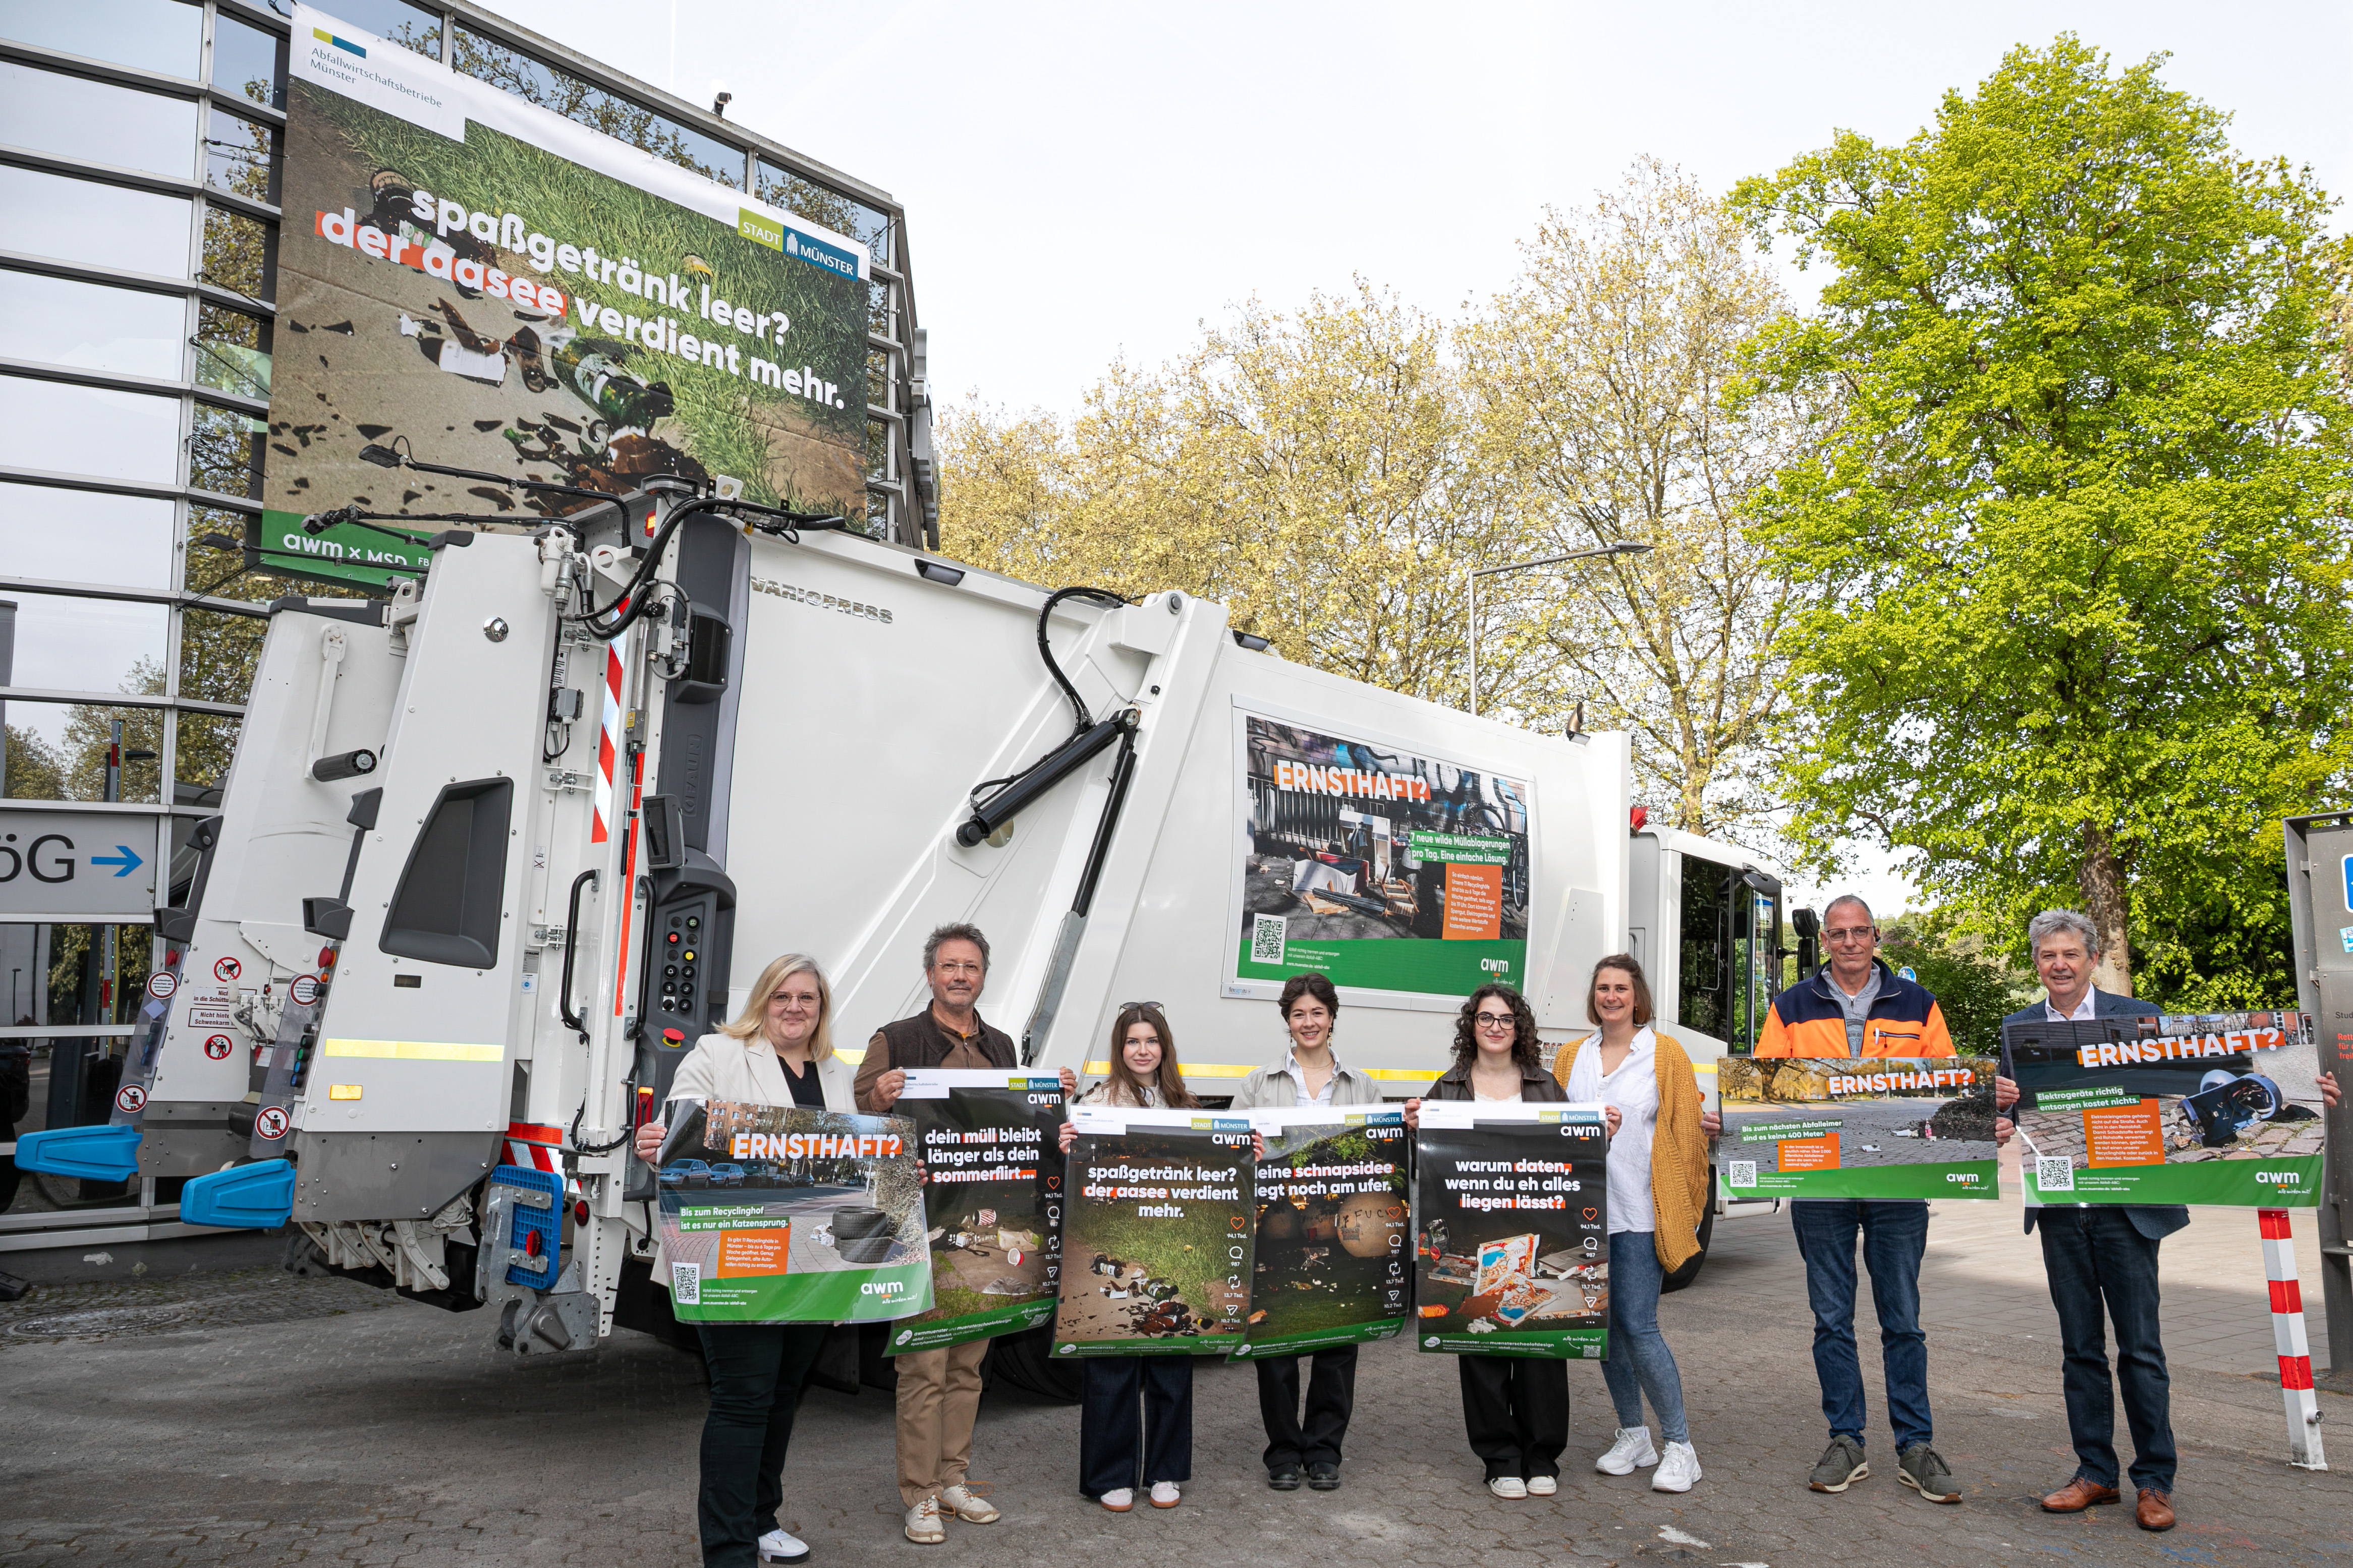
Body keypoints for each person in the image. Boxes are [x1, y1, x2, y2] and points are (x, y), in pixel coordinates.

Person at [1991, 909, 2345, 1535]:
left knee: (2141, 1350)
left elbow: (2225, 1070)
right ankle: (2093, 1473)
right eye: (2048, 955)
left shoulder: (2137, 1019)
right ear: (2036, 962)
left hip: (2130, 1209)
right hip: (2059, 1208)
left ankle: (2153, 1481)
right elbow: (2013, 1116)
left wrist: (2312, 1094)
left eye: (2070, 953)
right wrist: (1996, 1118)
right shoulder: (2016, 1030)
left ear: (2091, 957)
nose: (2060, 965)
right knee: (2079, 1350)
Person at [632, 953, 858, 1568]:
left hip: (811, 1261)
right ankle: (728, 1549)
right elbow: (678, 1131)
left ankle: (760, 1519)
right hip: (732, 1259)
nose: (794, 1008)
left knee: (784, 1393)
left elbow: (850, 1160)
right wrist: (656, 1142)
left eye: (807, 998)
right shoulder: (718, 1053)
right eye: (782, 995)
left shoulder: (834, 1070)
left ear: (820, 1008)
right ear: (763, 999)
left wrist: (891, 1175)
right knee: (741, 1399)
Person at [1753, 894, 1961, 1503]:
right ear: (1824, 940)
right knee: (1831, 1319)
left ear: (1876, 937)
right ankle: (1845, 1439)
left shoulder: (1917, 1004)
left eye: (1859, 932)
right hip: (1820, 1185)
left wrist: (1978, 1115)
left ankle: (1914, 1446)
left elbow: (1946, 1085)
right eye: (1837, 933)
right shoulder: (1790, 1006)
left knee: (1902, 1320)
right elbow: (1766, 1089)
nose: (1849, 942)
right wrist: (1734, 1122)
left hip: (1897, 1183)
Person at [1405, 983, 1616, 1500]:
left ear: (1518, 1027)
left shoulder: (1545, 1086)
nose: (1495, 1027)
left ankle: (1541, 1455)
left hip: (1539, 1234)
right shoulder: (1447, 1088)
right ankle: (1499, 1458)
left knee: (1540, 1347)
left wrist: (1599, 1133)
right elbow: (1429, 1167)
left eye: (1505, 1018)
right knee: (1480, 1343)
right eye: (1485, 1018)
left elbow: (1574, 1160)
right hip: (1472, 1234)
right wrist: (1414, 1128)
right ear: (1470, 1026)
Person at [855, 923, 1019, 1546]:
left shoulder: (1002, 1046)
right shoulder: (895, 1039)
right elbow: (854, 1121)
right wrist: (877, 1094)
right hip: (913, 1223)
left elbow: (1016, 1123)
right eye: (948, 966)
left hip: (979, 1224)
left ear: (982, 975)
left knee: (968, 1363)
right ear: (929, 975)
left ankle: (954, 1479)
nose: (959, 976)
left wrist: (1051, 1097)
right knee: (923, 1365)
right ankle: (918, 1495)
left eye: (970, 967)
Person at [1552, 955, 1718, 1494]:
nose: (1610, 996)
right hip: (1581, 1215)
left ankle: (1680, 1446)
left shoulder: (1664, 1053)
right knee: (1603, 1330)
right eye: (1602, 987)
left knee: (1639, 1325)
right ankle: (1633, 1434)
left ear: (1636, 995)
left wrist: (1686, 1204)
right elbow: (1547, 1127)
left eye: (1620, 987)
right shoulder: (1570, 1057)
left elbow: (1687, 1134)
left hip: (1638, 1211)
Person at [1228, 972, 1384, 1493]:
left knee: (1338, 1345)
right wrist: (1242, 1149)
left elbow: (1376, 1156)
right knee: (1274, 1344)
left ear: (1332, 1017)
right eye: (1299, 1013)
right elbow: (1232, 1149)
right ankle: (1282, 1452)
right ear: (1287, 1020)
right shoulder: (1258, 1082)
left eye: (1317, 1012)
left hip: (1337, 1228)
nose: (1309, 1022)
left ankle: (1323, 1450)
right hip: (1274, 1226)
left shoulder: (1360, 1084)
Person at [1058, 1005, 1215, 1511]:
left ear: (1164, 1048)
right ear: (1119, 1049)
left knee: (1171, 1363)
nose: (1142, 1050)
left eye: (1151, 1041)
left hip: (1172, 1249)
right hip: (1116, 1248)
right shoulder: (1096, 1103)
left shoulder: (1186, 1106)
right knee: (1113, 1366)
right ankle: (1110, 1474)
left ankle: (1165, 1471)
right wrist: (1066, 1141)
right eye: (1132, 1041)